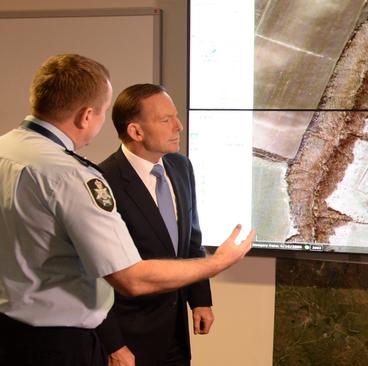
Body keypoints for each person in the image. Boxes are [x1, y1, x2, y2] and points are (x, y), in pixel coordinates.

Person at [0, 54, 253, 366]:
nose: (178, 126)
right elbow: (128, 278)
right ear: (86, 116)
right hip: (62, 343)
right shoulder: (74, 176)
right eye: (103, 113)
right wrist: (218, 263)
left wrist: (199, 298)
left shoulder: (6, 151)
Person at [95, 84, 212, 366]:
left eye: (176, 117)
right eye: (166, 120)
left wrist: (200, 299)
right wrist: (114, 344)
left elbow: (191, 242)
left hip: (175, 333)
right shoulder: (103, 181)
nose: (179, 126)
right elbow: (97, 274)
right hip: (129, 339)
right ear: (136, 131)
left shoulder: (181, 167)